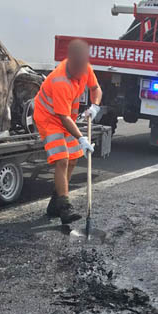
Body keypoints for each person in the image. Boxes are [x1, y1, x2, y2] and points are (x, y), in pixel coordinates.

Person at [33, 39, 102, 224]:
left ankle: (55, 201)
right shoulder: (60, 80)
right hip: (49, 118)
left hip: (66, 119)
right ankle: (64, 207)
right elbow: (63, 118)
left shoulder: (85, 68)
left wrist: (95, 106)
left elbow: (96, 89)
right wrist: (82, 139)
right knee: (62, 159)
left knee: (74, 158)